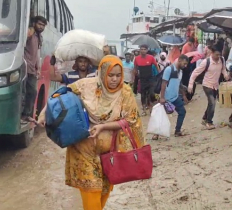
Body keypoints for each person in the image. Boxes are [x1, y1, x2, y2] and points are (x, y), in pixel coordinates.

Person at [38, 55, 145, 210]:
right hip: (83, 149)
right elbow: (59, 95)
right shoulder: (85, 85)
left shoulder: (125, 93)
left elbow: (131, 120)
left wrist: (103, 127)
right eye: (110, 75)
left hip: (109, 153)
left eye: (118, 75)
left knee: (103, 192)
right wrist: (43, 113)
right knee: (91, 193)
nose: (114, 79)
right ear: (102, 73)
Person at [188, 46, 230, 130]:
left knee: (211, 103)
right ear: (212, 53)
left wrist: (226, 75)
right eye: (216, 55)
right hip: (207, 85)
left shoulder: (222, 60)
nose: (218, 57)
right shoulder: (206, 62)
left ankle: (204, 118)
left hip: (216, 85)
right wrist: (190, 84)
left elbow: (223, 69)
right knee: (212, 103)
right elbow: (195, 72)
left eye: (219, 55)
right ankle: (209, 122)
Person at [22, 16, 46, 123]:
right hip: (24, 68)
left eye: (43, 25)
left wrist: (38, 68)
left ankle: (26, 115)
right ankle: (21, 115)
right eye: (39, 24)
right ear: (35, 23)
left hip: (32, 70)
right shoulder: (30, 33)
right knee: (23, 92)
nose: (41, 27)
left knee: (32, 92)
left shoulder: (39, 37)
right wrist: (30, 28)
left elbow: (37, 55)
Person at [160, 55, 189, 137]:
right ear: (179, 60)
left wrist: (183, 95)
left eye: (186, 64)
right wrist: (162, 97)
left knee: (182, 112)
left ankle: (177, 131)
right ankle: (156, 134)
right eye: (184, 63)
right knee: (162, 115)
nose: (185, 65)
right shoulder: (169, 69)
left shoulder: (180, 72)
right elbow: (163, 83)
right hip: (167, 98)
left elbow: (179, 84)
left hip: (175, 97)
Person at [133, 44, 160, 116]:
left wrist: (159, 74)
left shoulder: (151, 58)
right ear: (139, 50)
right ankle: (144, 110)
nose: (143, 51)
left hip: (150, 78)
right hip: (142, 79)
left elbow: (156, 66)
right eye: (141, 49)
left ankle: (151, 108)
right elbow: (135, 68)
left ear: (147, 50)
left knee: (151, 94)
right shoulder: (137, 58)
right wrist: (135, 73)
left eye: (144, 49)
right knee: (143, 95)